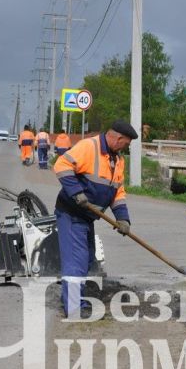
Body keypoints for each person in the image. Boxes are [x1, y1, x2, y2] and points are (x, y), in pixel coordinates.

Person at [53, 119, 138, 317]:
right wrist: (76, 192)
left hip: (87, 217)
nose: (126, 148)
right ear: (117, 138)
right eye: (126, 143)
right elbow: (62, 164)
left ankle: (75, 300)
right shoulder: (89, 147)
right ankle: (74, 309)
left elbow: (117, 192)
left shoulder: (117, 159)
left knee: (87, 259)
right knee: (76, 261)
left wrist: (123, 219)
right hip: (71, 213)